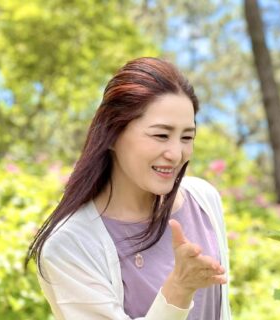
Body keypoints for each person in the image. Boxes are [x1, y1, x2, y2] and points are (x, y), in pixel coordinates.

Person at [26, 57, 231, 320]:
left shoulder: (202, 199)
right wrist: (179, 288)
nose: (176, 153)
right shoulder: (68, 246)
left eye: (187, 137)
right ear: (112, 134)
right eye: (160, 135)